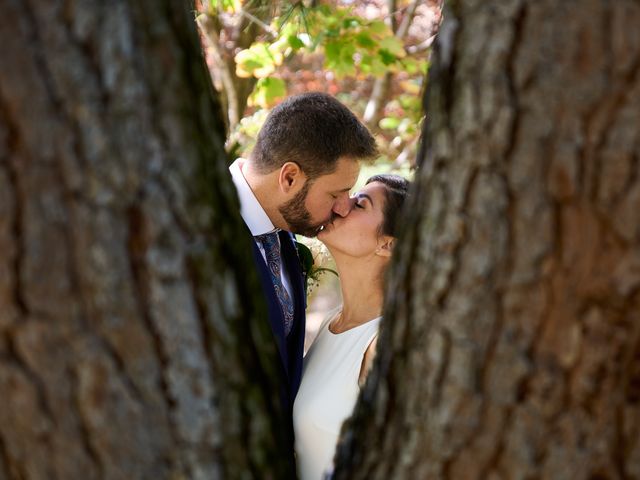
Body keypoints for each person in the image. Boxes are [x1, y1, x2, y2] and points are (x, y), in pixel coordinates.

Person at [228, 92, 378, 455]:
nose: (343, 208)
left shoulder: (284, 235)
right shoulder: (195, 231)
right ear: (290, 177)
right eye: (336, 194)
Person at [293, 174, 410, 480]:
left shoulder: (384, 343)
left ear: (387, 244)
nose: (342, 205)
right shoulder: (332, 321)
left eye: (360, 204)